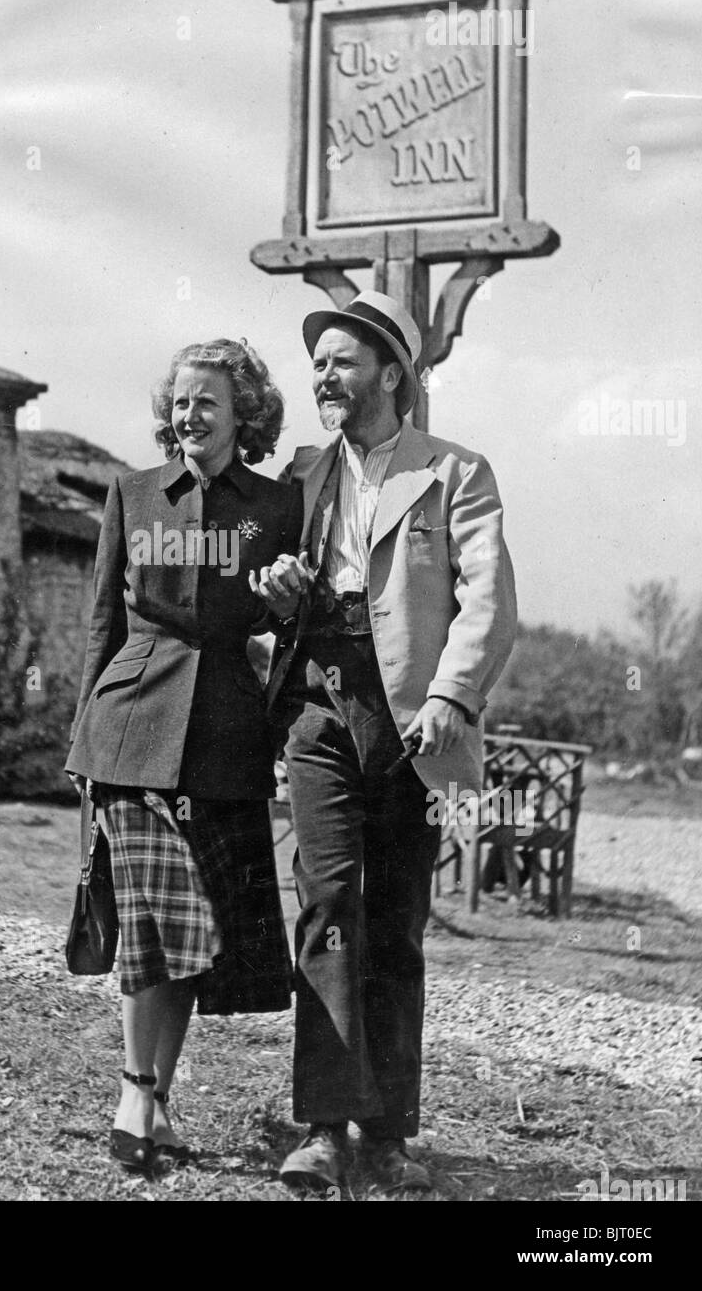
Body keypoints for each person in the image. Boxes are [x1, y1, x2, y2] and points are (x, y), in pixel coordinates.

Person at [251, 290, 518, 1193]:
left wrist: (451, 693)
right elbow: (260, 592)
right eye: (317, 362)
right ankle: (324, 1128)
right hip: (318, 714)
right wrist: (276, 586)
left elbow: (487, 598)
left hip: (410, 724)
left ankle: (388, 1133)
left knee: (395, 924)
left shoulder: (455, 474)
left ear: (392, 373)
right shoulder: (300, 476)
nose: (323, 376)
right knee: (327, 910)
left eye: (341, 361)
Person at [67, 337, 303, 1175]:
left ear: (244, 412)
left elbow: (290, 631)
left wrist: (284, 608)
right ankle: (134, 1089)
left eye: (207, 401)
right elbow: (103, 619)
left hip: (226, 736)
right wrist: (80, 738)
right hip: (131, 724)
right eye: (179, 402)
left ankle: (157, 1100)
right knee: (149, 922)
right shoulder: (131, 495)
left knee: (192, 932)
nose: (189, 415)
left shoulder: (279, 507)